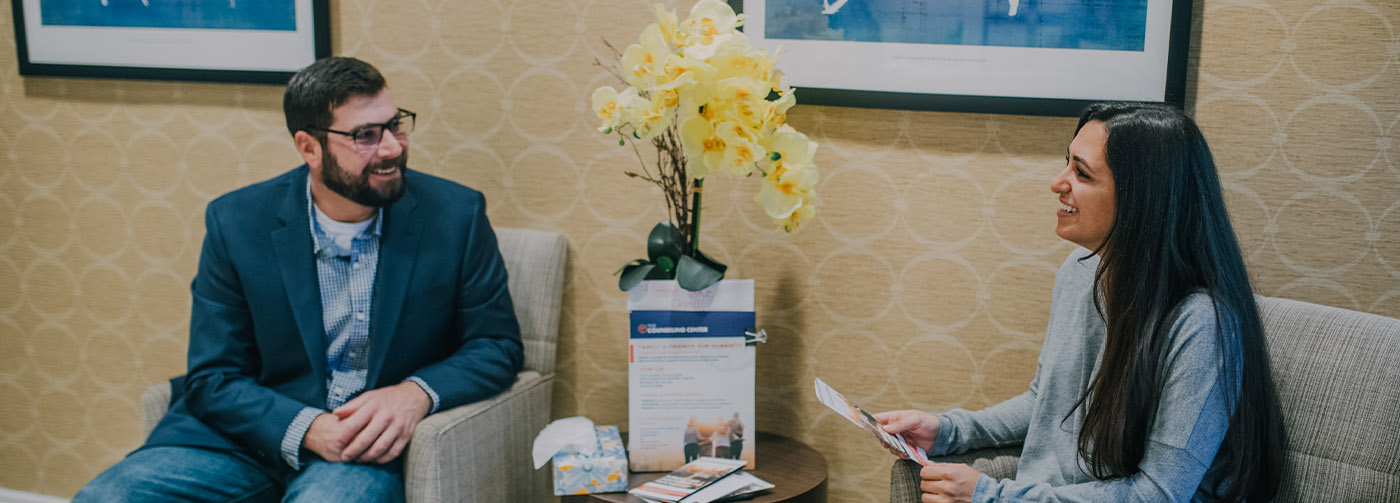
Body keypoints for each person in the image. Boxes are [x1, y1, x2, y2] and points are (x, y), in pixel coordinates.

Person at [73, 57, 524, 502]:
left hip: (359, 452)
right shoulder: (237, 221)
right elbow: (213, 375)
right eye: (365, 135)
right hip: (245, 439)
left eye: (395, 125)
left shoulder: (455, 215)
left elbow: (496, 345)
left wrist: (414, 394)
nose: (391, 147)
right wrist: (308, 428)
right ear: (309, 148)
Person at [876, 102, 1285, 502]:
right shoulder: (1080, 270)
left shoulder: (1202, 323)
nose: (1057, 182)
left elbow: (1160, 493)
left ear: (1140, 199)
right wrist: (946, 429)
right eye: (1066, 162)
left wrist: (992, 495)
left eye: (1082, 172)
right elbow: (1046, 402)